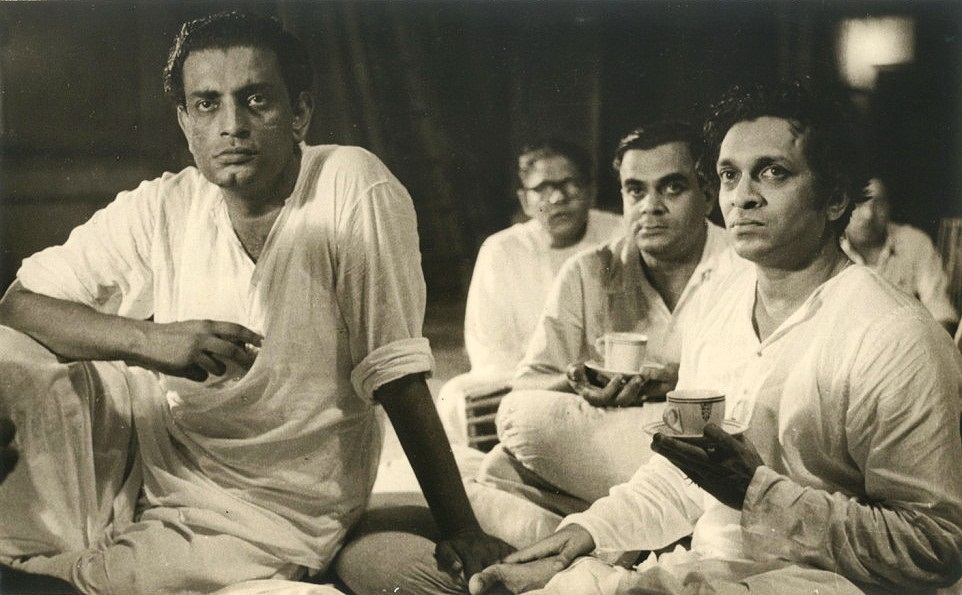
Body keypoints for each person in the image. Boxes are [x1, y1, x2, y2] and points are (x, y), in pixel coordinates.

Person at [0, 11, 509, 594]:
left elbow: (396, 374)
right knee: (8, 354)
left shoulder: (349, 184)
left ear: (300, 113)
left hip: (273, 501)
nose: (232, 126)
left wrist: (462, 528)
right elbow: (19, 304)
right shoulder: (165, 204)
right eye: (207, 104)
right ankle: (34, 547)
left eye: (256, 99)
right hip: (150, 448)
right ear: (186, 122)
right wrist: (148, 341)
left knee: (99, 585)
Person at [470, 82, 962, 594]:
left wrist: (758, 493)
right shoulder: (719, 305)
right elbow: (680, 475)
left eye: (773, 172)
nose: (743, 196)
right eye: (730, 175)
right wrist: (585, 535)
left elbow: (935, 546)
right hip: (709, 569)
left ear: (835, 198)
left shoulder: (894, 334)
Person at [472, 120, 739, 524]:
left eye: (672, 188)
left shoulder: (743, 265)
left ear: (706, 195)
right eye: (636, 191)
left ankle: (613, 527)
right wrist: (579, 382)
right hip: (619, 437)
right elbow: (527, 388)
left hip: (704, 440)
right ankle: (641, 527)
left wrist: (676, 382)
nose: (651, 206)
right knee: (506, 448)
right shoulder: (588, 271)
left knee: (504, 475)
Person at [436, 140, 621, 446]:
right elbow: (490, 350)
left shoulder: (620, 237)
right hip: (527, 382)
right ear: (524, 201)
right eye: (543, 188)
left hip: (601, 379)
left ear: (591, 190)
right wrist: (546, 384)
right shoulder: (501, 250)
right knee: (454, 396)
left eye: (570, 184)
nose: (558, 198)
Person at [843, 175, 958, 334]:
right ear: (842, 207)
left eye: (879, 203)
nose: (869, 214)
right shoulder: (829, 249)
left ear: (889, 206)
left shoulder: (915, 242)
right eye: (860, 203)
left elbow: (941, 312)